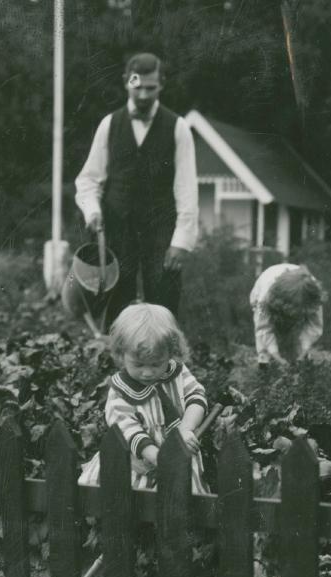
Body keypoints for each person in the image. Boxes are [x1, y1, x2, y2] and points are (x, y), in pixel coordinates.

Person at [74, 52, 199, 329]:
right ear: (125, 83)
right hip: (117, 227)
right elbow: (88, 179)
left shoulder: (178, 128)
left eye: (150, 88)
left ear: (162, 84)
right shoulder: (109, 124)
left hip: (161, 229)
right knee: (116, 299)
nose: (143, 94)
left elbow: (187, 189)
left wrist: (181, 240)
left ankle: (164, 365)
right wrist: (92, 211)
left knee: (163, 299)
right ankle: (114, 360)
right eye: (137, 86)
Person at [78, 304, 209, 494]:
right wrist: (159, 457)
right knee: (133, 504)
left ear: (170, 353)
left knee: (180, 501)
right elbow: (129, 431)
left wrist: (186, 428)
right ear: (122, 354)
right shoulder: (121, 392)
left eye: (156, 363)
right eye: (138, 364)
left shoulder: (176, 372)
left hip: (180, 453)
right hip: (138, 464)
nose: (147, 373)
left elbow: (196, 397)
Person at [249, 262, 325, 368]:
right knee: (265, 342)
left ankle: (303, 362)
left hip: (292, 291)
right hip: (265, 291)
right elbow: (263, 328)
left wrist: (303, 350)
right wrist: (276, 355)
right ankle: (264, 363)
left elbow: (314, 326)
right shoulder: (262, 301)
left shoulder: (313, 294)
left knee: (300, 346)